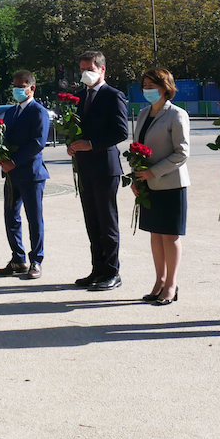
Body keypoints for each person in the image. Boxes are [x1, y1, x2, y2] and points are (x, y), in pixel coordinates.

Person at [67, 50, 129, 291]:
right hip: (85, 167)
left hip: (105, 167)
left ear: (102, 69)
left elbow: (121, 132)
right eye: (82, 70)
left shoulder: (113, 95)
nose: (85, 74)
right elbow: (77, 128)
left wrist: (91, 144)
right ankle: (97, 269)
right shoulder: (80, 96)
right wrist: (72, 144)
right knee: (92, 222)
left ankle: (112, 272)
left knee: (107, 222)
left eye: (90, 69)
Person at [130, 68, 190, 306]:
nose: (147, 90)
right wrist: (136, 177)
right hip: (147, 184)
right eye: (144, 86)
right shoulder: (143, 113)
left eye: (152, 86)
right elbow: (136, 147)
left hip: (170, 184)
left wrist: (153, 171)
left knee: (169, 235)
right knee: (155, 234)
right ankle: (159, 280)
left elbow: (182, 152)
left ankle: (171, 285)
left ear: (165, 88)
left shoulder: (176, 114)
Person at [0, 70, 51, 280]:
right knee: (11, 217)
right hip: (11, 175)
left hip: (31, 174)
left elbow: (37, 142)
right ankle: (18, 258)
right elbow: (5, 138)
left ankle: (36, 260)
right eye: (15, 86)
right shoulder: (11, 112)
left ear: (31, 88)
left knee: (34, 219)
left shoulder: (38, 112)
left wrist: (14, 161)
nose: (17, 90)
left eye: (21, 87)